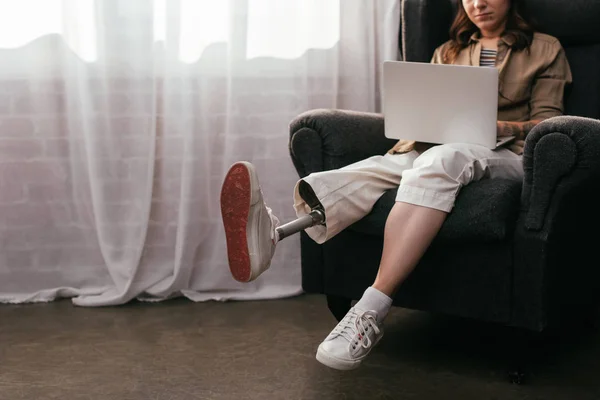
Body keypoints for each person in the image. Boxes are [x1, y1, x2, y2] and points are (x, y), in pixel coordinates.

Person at [220, 0, 571, 371]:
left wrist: (503, 127)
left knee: (441, 161)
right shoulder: (447, 51)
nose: (477, 4)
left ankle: (370, 310)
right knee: (364, 173)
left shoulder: (545, 48)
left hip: (504, 155)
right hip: (433, 145)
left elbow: (548, 123)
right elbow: (430, 111)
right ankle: (271, 234)